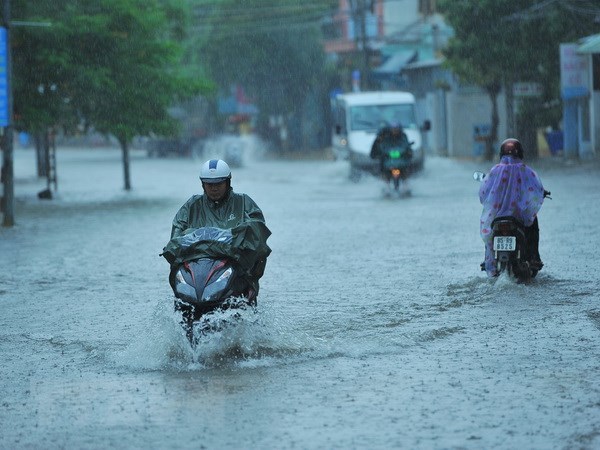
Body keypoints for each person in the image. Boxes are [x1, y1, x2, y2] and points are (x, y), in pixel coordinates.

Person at [170, 158, 270, 295]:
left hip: (234, 270)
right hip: (197, 270)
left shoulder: (243, 203)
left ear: (227, 182)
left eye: (218, 183)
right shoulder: (192, 205)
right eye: (209, 184)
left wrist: (235, 237)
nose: (214, 188)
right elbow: (176, 237)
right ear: (202, 184)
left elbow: (257, 233)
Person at [478, 138, 545, 277]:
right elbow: (538, 189)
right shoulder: (526, 171)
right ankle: (533, 258)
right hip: (518, 218)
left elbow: (483, 194)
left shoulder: (495, 171)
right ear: (520, 153)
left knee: (490, 231)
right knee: (533, 223)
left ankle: (489, 261)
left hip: (497, 218)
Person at [370, 123, 413, 188]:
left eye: (396, 129)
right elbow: (376, 150)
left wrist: (407, 152)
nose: (395, 131)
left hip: (401, 161)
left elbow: (406, 147)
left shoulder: (403, 136)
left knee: (406, 171)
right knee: (384, 172)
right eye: (393, 129)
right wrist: (380, 154)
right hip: (387, 161)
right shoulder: (384, 137)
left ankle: (406, 186)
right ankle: (386, 186)